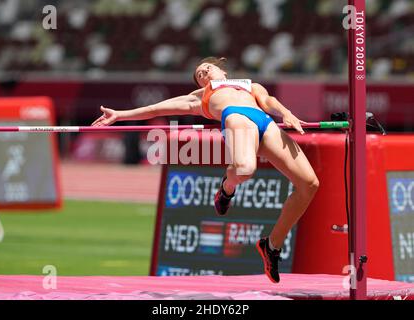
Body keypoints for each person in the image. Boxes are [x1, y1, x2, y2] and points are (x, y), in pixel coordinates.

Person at [91, 57, 320, 284]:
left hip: (265, 122)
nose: (203, 73)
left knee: (309, 184)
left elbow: (268, 100)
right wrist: (121, 115)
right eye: (199, 74)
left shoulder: (251, 85)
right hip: (236, 117)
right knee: (245, 169)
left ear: (223, 71)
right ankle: (227, 188)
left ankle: (271, 246)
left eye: (206, 68)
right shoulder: (202, 97)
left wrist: (286, 113)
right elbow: (155, 108)